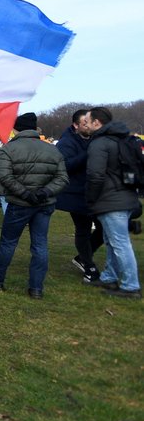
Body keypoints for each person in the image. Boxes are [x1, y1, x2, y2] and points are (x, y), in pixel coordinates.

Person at [0, 113, 68, 298]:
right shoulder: (52, 149)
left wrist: (27, 194)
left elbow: (2, 176)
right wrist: (45, 192)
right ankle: (36, 288)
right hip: (43, 203)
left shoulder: (8, 149)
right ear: (35, 128)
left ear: (16, 129)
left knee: (8, 243)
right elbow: (62, 178)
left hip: (21, 203)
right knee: (40, 245)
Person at [84, 107, 141, 299]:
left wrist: (91, 198)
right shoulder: (123, 139)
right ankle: (109, 276)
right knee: (112, 241)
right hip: (126, 196)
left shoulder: (100, 143)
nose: (86, 124)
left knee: (120, 243)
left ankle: (131, 285)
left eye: (88, 121)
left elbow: (95, 174)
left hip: (111, 199)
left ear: (97, 123)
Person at [55, 109, 104, 283]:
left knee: (103, 228)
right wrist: (88, 153)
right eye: (85, 123)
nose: (89, 126)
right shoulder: (65, 142)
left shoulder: (95, 139)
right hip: (75, 193)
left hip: (94, 192)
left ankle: (83, 257)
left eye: (91, 122)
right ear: (76, 125)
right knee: (83, 229)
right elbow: (65, 166)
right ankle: (89, 267)